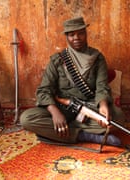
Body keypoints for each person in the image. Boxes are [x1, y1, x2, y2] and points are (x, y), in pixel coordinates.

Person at [20, 17, 121, 146]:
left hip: (88, 106)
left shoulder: (97, 58)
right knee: (26, 119)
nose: (76, 38)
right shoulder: (57, 60)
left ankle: (61, 132)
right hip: (62, 108)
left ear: (86, 34)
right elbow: (44, 90)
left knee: (118, 118)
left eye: (80, 33)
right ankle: (85, 135)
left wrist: (102, 105)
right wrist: (55, 113)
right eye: (71, 34)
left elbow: (102, 86)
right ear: (66, 37)